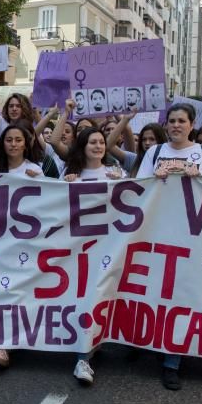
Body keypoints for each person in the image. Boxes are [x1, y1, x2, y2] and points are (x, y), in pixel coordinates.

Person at [135, 103, 202, 390]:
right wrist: (153, 180)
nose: (176, 125)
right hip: (158, 230)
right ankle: (149, 340)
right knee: (156, 290)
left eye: (181, 121)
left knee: (182, 295)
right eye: (171, 121)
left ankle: (172, 361)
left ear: (192, 124)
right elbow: (138, 188)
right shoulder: (155, 152)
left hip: (194, 234)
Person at [62, 127, 125, 385]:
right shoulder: (72, 175)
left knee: (97, 298)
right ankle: (83, 352)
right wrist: (64, 186)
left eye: (101, 142)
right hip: (78, 248)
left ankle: (84, 357)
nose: (98, 146)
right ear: (83, 146)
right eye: (92, 142)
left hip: (109, 247)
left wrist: (120, 182)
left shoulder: (117, 173)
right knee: (82, 298)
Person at [0, 124, 41, 368]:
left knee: (17, 292)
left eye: (18, 140)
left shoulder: (34, 170)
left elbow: (50, 201)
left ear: (26, 144)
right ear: (2, 144)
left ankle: (5, 344)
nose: (13, 144)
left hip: (25, 243)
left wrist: (42, 181)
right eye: (9, 140)